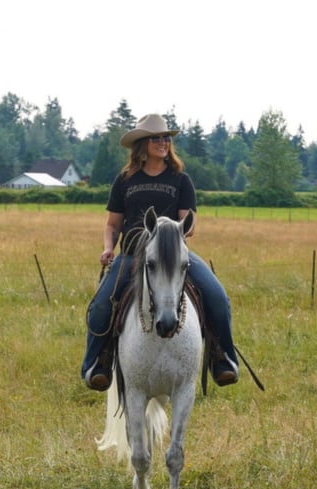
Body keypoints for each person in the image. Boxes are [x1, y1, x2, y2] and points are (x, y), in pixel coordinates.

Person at [81, 113, 239, 391]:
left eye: (166, 137)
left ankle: (222, 358)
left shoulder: (180, 180)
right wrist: (108, 248)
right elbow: (112, 224)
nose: (163, 142)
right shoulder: (125, 180)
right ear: (142, 145)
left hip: (174, 256)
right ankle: (96, 363)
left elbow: (188, 224)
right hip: (131, 255)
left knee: (217, 295)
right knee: (102, 303)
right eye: (156, 138)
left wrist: (169, 232)